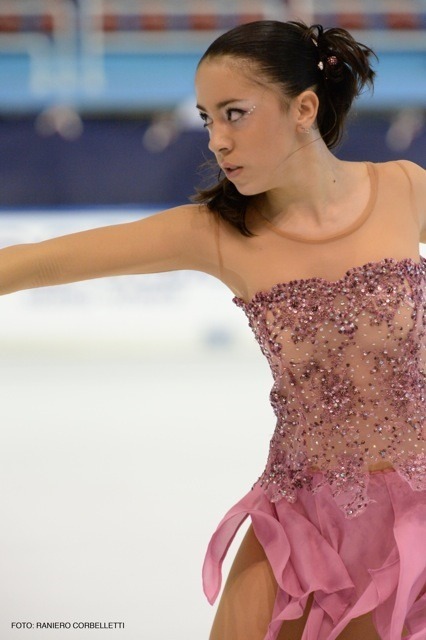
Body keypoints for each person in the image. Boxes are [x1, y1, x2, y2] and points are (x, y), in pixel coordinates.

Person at [1, 19, 425, 640]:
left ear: (304, 108)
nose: (217, 141)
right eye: (207, 119)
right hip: (302, 524)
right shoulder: (217, 232)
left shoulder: (404, 188)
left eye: (235, 114)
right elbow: (37, 262)